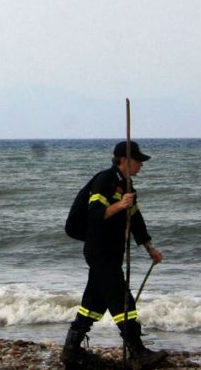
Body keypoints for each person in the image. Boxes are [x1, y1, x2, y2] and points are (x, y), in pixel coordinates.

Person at [62, 141, 167, 369]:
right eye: (138, 160)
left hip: (112, 251)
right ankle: (137, 352)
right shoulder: (104, 180)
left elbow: (136, 220)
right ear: (125, 160)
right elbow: (94, 215)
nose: (141, 165)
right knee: (121, 298)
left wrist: (150, 248)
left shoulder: (127, 186)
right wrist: (120, 205)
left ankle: (71, 350)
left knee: (94, 301)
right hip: (99, 250)